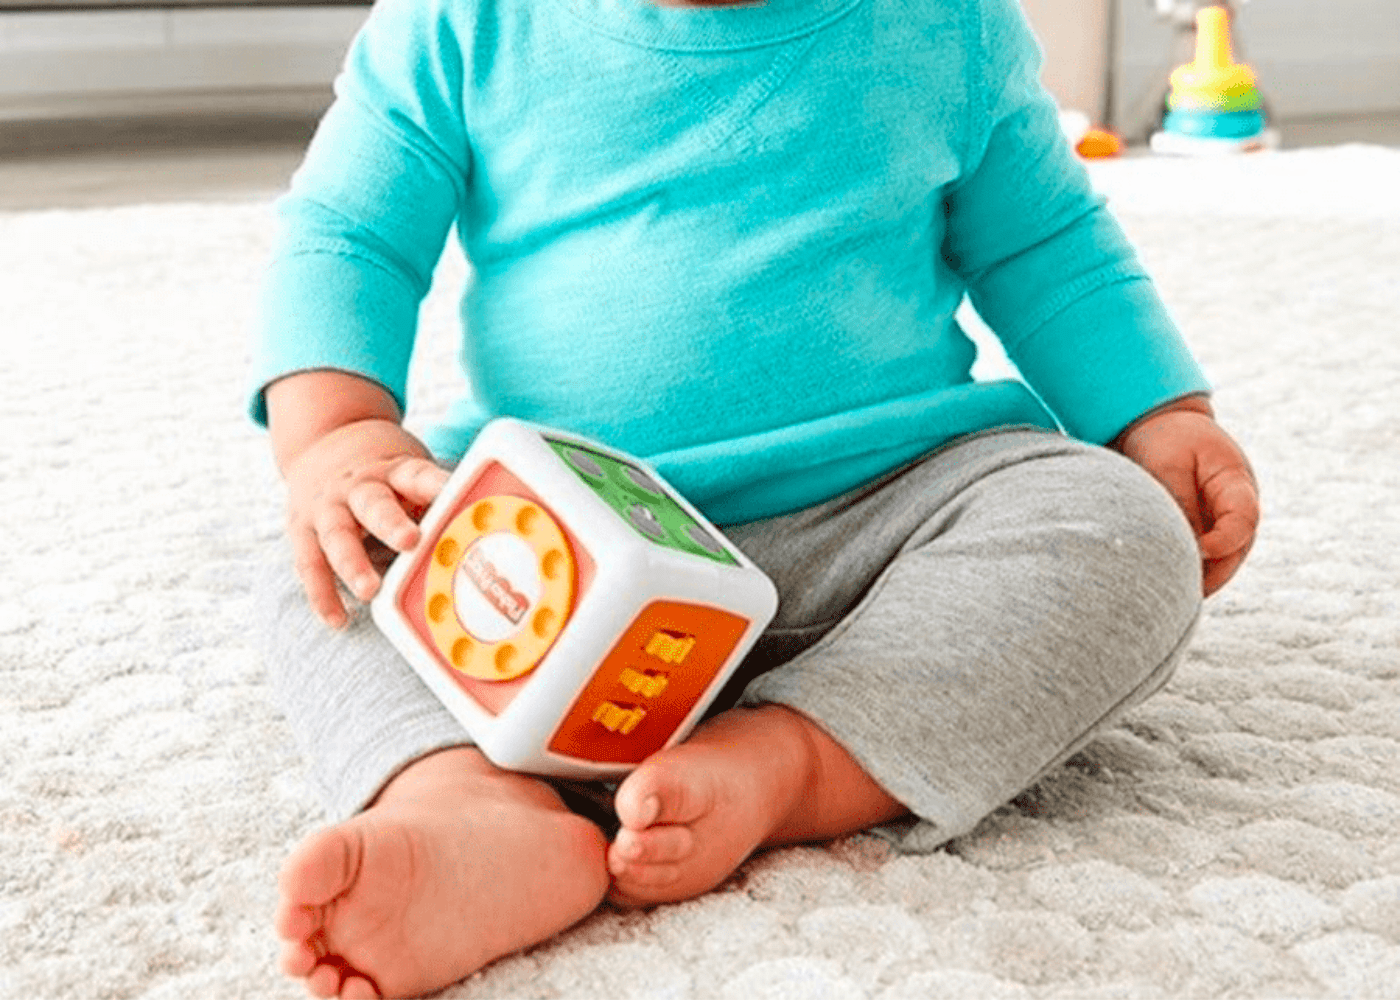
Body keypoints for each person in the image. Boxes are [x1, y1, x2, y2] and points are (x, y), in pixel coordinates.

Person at [249, 0, 1260, 994]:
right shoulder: (456, 23)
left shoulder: (948, 25)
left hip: (875, 528)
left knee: (1117, 525)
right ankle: (469, 807)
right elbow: (347, 233)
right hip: (550, 551)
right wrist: (338, 435)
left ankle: (788, 763)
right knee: (341, 558)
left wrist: (1155, 414)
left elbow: (1045, 247)